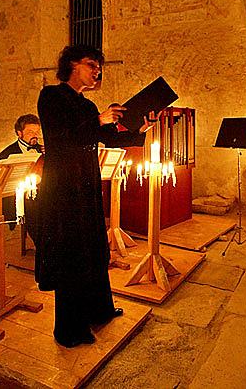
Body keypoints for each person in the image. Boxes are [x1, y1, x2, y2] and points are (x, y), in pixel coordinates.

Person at [36, 45, 155, 348]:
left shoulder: (88, 106)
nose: (97, 71)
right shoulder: (51, 97)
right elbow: (63, 136)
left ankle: (99, 310)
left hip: (86, 182)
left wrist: (139, 132)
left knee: (93, 248)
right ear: (72, 65)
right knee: (72, 253)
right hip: (63, 186)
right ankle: (69, 329)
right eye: (92, 65)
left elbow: (108, 137)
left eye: (98, 67)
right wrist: (100, 120)